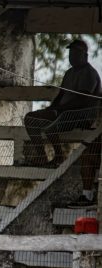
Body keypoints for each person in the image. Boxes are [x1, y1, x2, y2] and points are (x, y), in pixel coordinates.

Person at [23, 39, 101, 175]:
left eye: (76, 53)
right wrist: (51, 108)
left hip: (81, 115)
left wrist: (58, 110)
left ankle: (59, 157)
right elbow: (61, 95)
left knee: (50, 125)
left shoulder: (89, 73)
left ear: (85, 56)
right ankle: (42, 156)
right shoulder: (69, 73)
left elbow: (82, 100)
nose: (72, 56)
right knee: (30, 118)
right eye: (71, 53)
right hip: (63, 113)